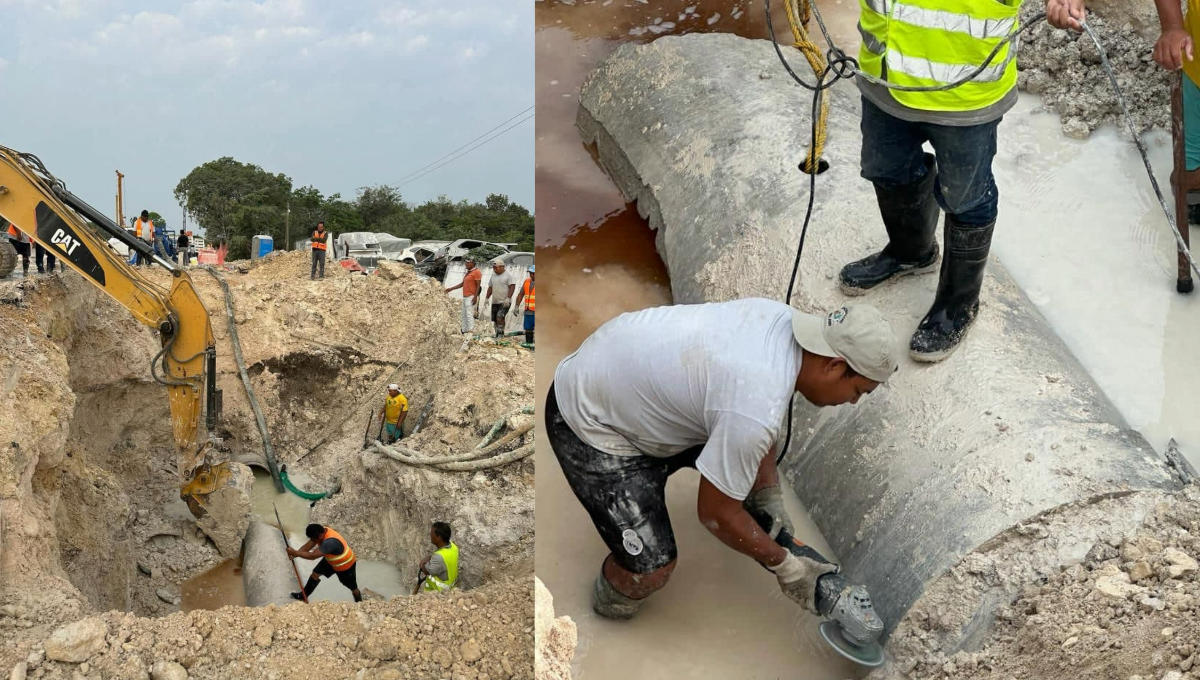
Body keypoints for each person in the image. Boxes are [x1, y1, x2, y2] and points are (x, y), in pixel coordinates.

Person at [545, 299, 898, 620]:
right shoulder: (752, 408)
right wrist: (789, 569)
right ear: (835, 366)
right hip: (589, 421)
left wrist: (767, 493)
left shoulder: (781, 320)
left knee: (747, 499)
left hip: (622, 378)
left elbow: (756, 413)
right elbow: (715, 515)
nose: (853, 403)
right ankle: (605, 612)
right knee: (650, 568)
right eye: (857, 392)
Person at [837, 0, 1085, 362]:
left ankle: (957, 304)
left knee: (966, 198)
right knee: (885, 168)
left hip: (964, 94)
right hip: (885, 77)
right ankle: (911, 254)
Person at [288, 523, 362, 602]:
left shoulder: (329, 542)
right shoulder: (321, 532)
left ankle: (359, 603)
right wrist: (296, 554)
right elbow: (307, 546)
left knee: (353, 588)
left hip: (345, 565)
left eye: (313, 539)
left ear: (320, 536)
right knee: (315, 574)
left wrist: (295, 553)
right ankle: (303, 596)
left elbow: (313, 556)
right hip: (331, 559)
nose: (312, 541)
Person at [414, 522, 459, 594]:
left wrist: (423, 565)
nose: (430, 535)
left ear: (438, 538)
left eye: (432, 534)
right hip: (450, 590)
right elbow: (443, 558)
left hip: (438, 594)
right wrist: (430, 557)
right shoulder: (453, 547)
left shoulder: (439, 558)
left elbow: (426, 571)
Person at [445, 258, 483, 334]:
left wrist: (475, 297)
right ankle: (464, 330)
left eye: (468, 263)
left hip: (471, 296)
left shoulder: (477, 272)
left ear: (473, 263)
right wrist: (451, 288)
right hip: (465, 296)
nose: (466, 264)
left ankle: (471, 331)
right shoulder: (468, 272)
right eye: (466, 263)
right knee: (464, 314)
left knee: (469, 314)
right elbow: (462, 284)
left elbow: (478, 285)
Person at [484, 260, 517, 339]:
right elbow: (490, 288)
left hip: (504, 302)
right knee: (495, 319)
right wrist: (487, 298)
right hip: (495, 301)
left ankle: (501, 335)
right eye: (493, 268)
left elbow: (512, 287)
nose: (495, 269)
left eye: (496, 268)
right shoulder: (493, 276)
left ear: (502, 267)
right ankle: (497, 334)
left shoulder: (508, 275)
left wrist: (508, 298)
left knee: (500, 317)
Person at [512, 264, 534, 345]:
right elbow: (521, 294)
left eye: (533, 273)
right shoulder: (527, 282)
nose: (531, 275)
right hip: (528, 311)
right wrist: (517, 306)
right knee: (528, 329)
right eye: (530, 273)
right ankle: (529, 345)